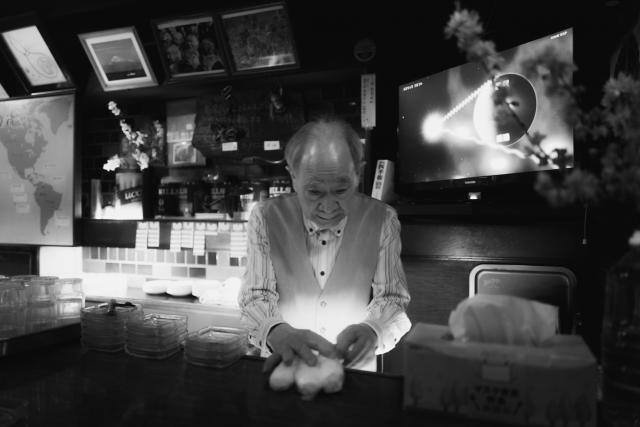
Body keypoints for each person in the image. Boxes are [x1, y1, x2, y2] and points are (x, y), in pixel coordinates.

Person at [238, 117, 411, 372]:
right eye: (314, 192)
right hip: (286, 368)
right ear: (293, 176)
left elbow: (392, 299)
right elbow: (255, 296)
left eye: (341, 190)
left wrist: (373, 330)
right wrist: (276, 331)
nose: (329, 207)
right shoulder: (265, 217)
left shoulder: (383, 219)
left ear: (358, 172)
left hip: (353, 372)